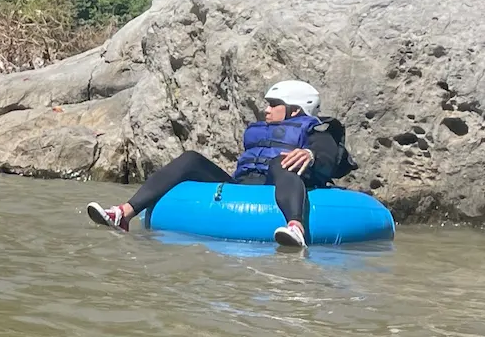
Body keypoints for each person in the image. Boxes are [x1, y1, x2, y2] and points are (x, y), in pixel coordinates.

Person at [85, 79, 356, 248]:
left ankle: (296, 226)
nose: (266, 109)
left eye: (274, 104)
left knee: (280, 161)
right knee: (190, 159)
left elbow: (327, 154)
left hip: (279, 181)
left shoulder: (318, 132)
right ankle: (123, 214)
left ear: (295, 110)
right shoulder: (263, 127)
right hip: (242, 184)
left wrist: (310, 155)